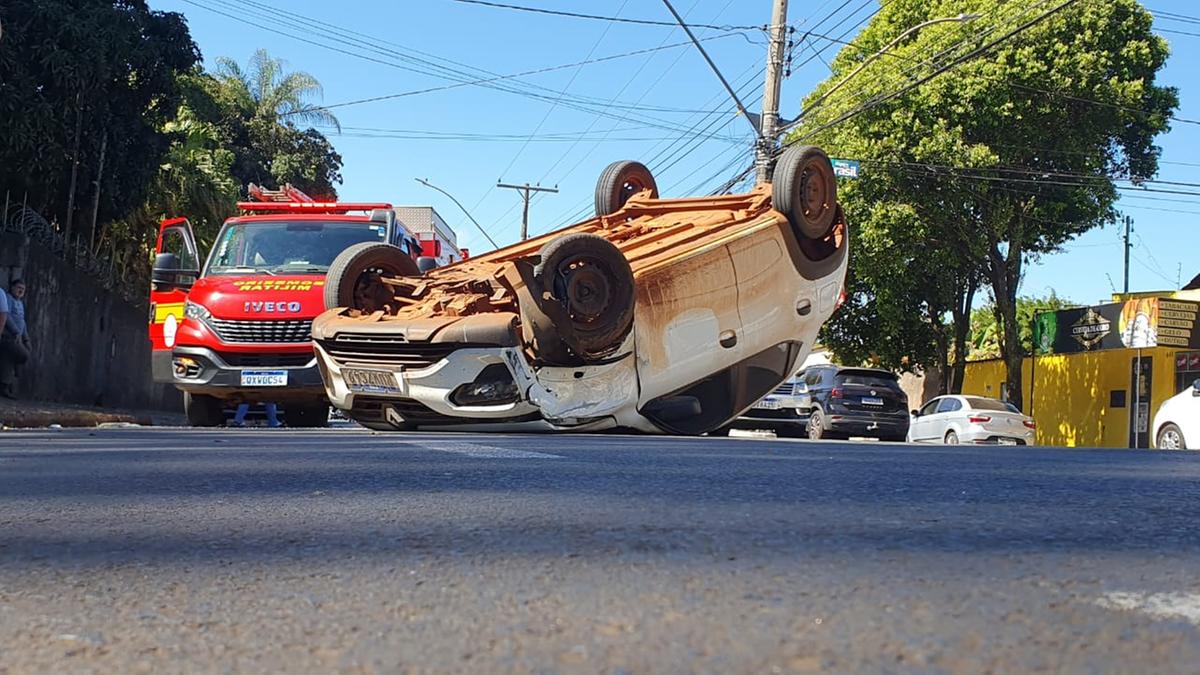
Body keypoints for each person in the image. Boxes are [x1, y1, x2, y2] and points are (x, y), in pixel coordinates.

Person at [0, 280, 29, 399]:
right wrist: (15, 331)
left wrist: (26, 338)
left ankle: (5, 387)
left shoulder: (20, 303)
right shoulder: (8, 298)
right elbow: (7, 316)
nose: (21, 290)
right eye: (18, 287)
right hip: (9, 336)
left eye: (23, 289)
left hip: (18, 338)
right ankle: (16, 370)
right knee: (22, 354)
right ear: (12, 287)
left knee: (8, 361)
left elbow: (23, 321)